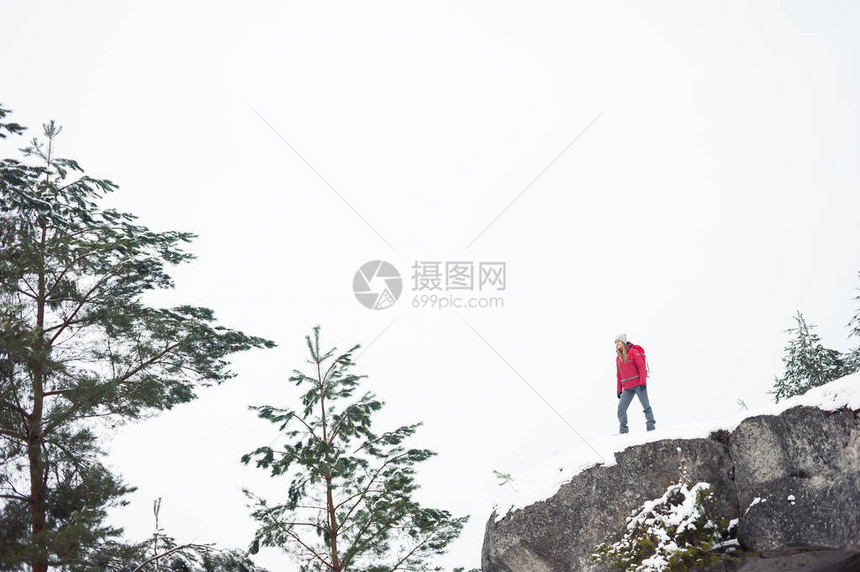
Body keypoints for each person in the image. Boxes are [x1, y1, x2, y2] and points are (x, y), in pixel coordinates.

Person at [615, 334, 656, 433]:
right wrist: (619, 390)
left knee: (645, 405)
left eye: (619, 341)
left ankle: (651, 426)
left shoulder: (633, 352)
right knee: (621, 409)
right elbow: (619, 375)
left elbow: (641, 367)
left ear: (623, 342)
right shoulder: (618, 358)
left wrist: (642, 382)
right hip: (627, 387)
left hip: (638, 384)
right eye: (616, 342)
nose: (617, 344)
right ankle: (623, 430)